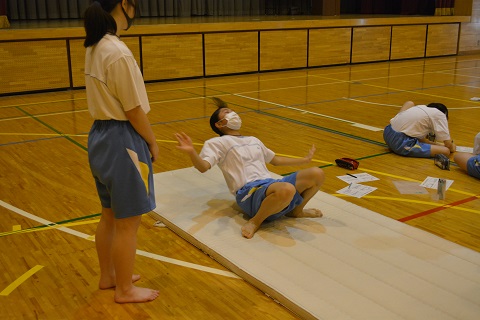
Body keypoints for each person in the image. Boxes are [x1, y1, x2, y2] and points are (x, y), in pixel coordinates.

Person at [84, 0, 159, 303]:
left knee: (110, 215)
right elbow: (133, 109)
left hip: (100, 137)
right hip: (122, 140)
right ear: (124, 4)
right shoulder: (117, 51)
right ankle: (125, 290)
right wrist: (152, 141)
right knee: (129, 222)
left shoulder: (94, 46)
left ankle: (110, 277)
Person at [175, 97, 325, 239]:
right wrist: (191, 152)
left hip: (269, 185)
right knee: (287, 189)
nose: (233, 114)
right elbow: (203, 167)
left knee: (317, 173)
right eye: (227, 112)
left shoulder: (253, 140)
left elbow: (276, 160)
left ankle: (296, 211)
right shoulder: (216, 143)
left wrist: (305, 159)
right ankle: (255, 221)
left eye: (232, 111)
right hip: (248, 192)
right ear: (219, 124)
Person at [383, 101, 456, 157]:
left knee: (410, 103)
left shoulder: (421, 107)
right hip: (400, 143)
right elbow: (449, 146)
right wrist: (452, 145)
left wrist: (436, 144)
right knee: (446, 151)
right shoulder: (440, 115)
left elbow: (421, 140)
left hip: (387, 132)